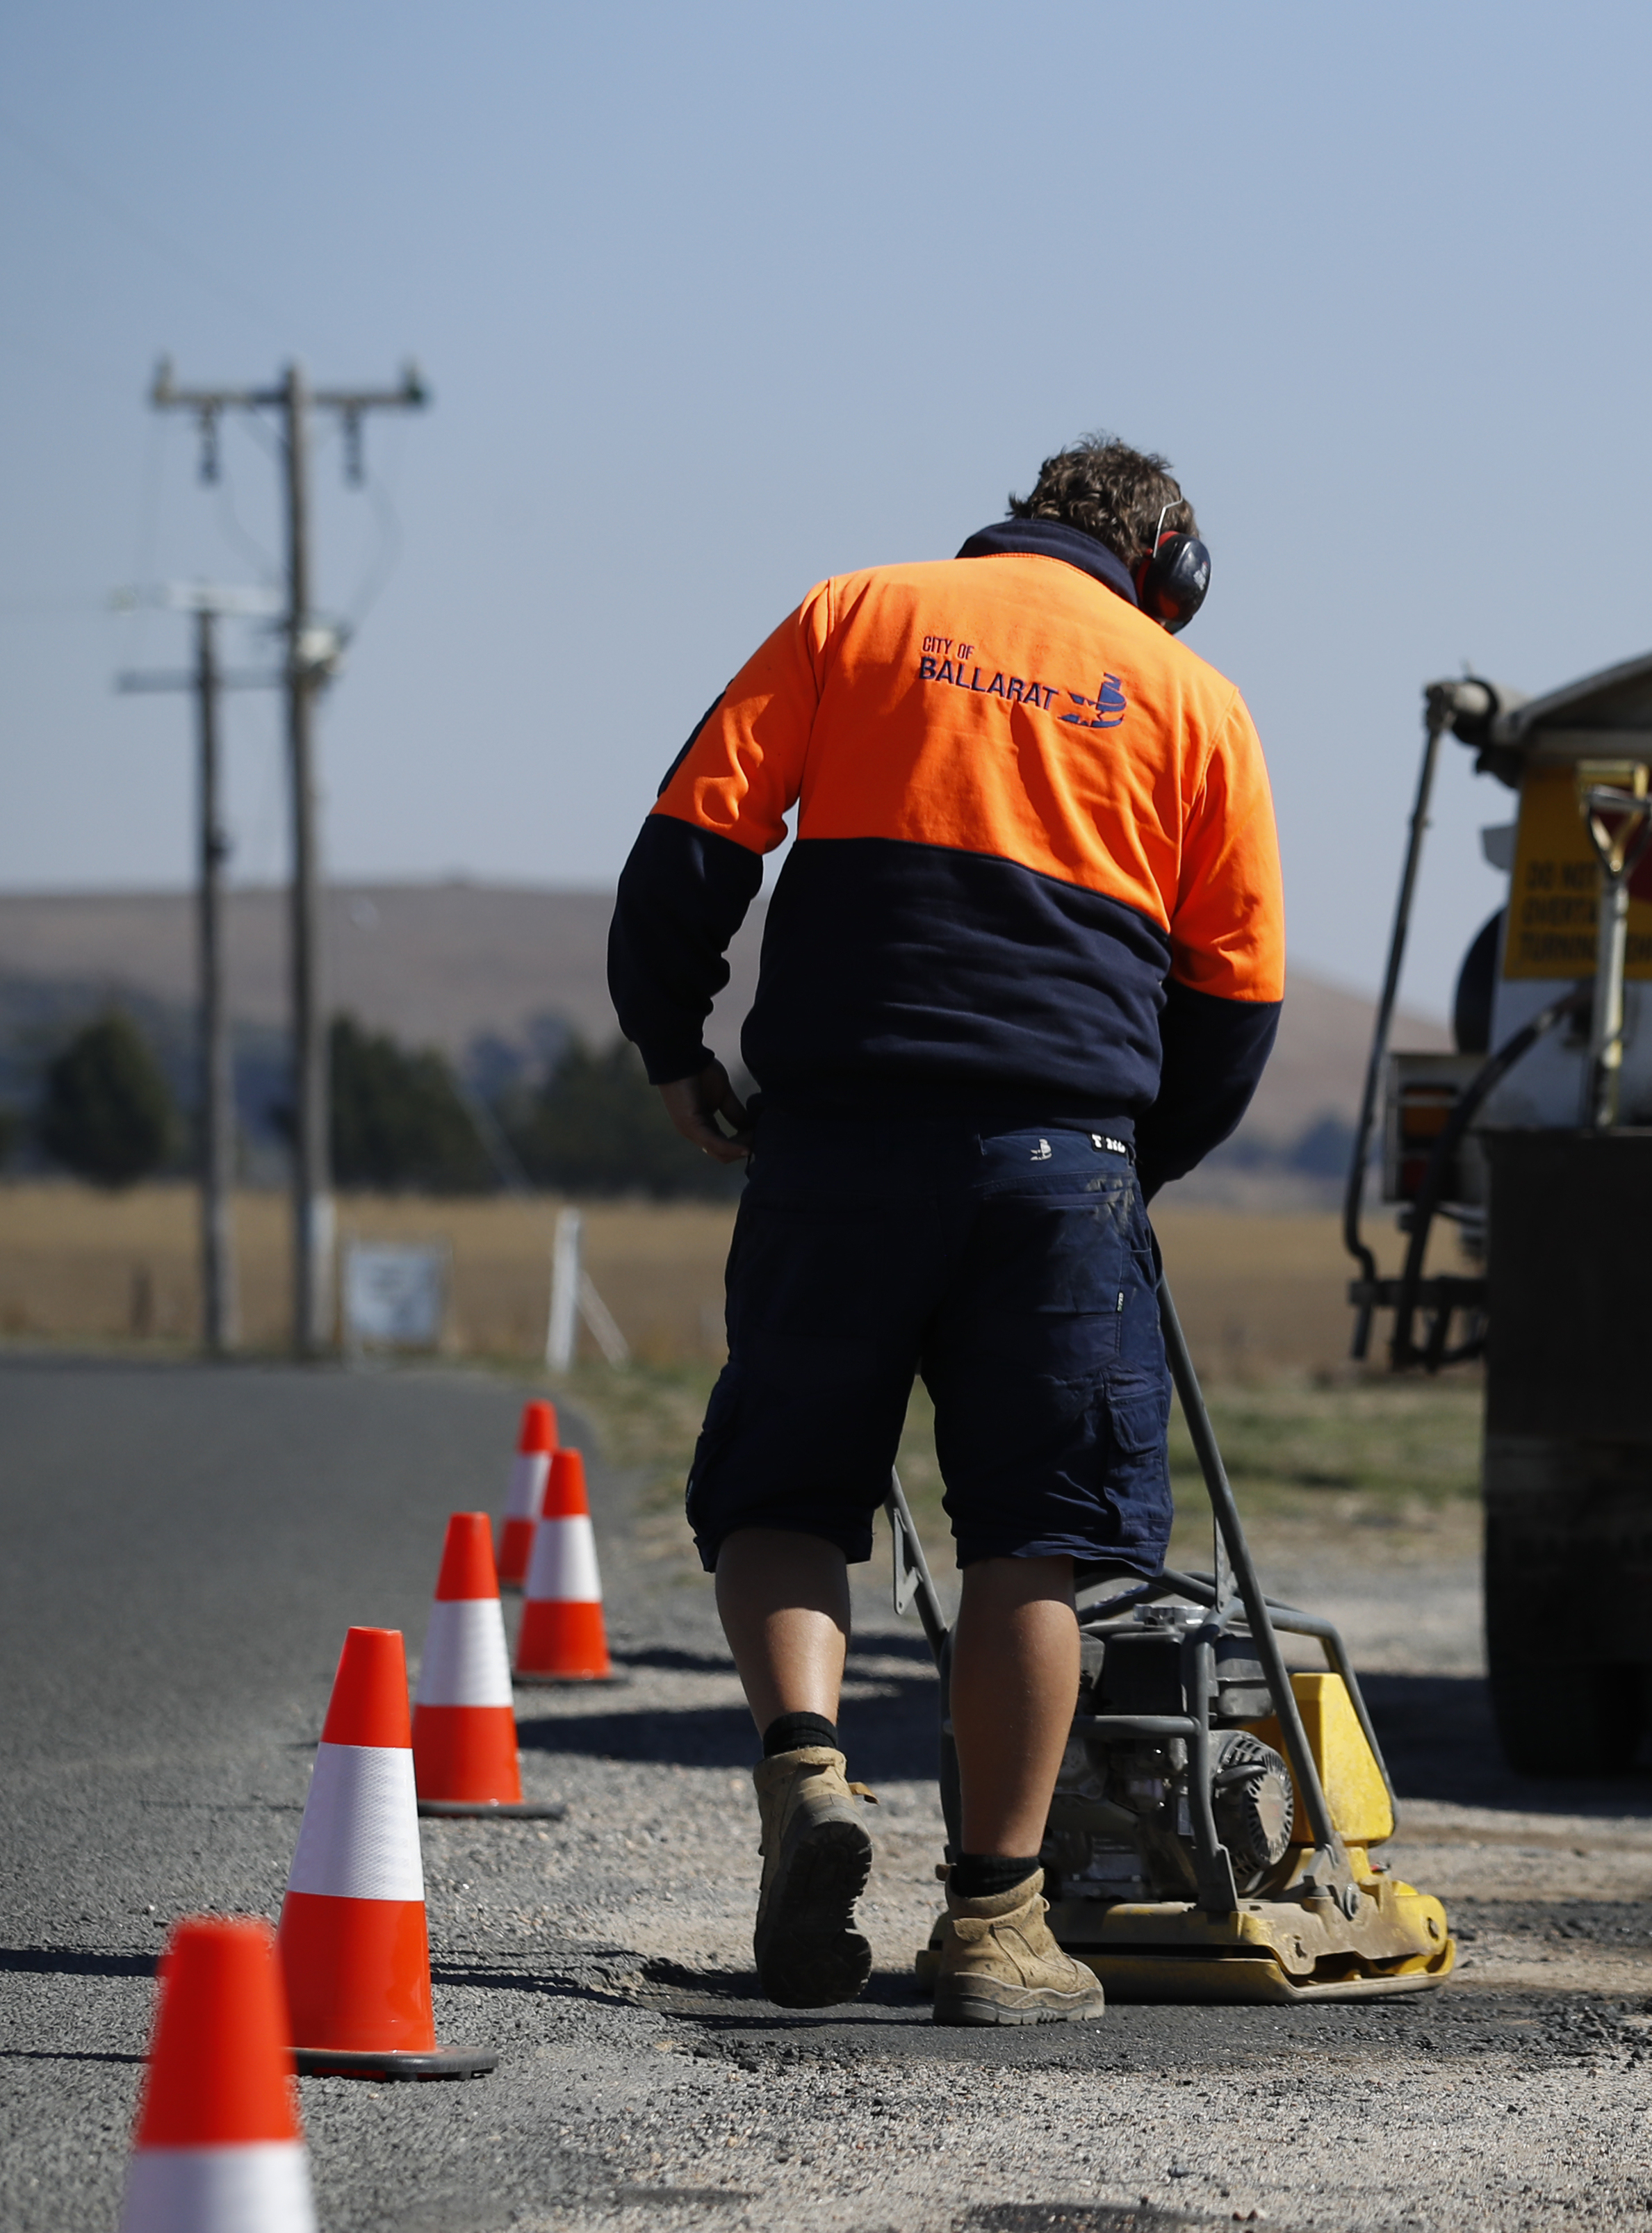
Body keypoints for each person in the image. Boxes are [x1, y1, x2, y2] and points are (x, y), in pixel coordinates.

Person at [605, 436, 1281, 2025]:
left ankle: (809, 1767)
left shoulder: (855, 614)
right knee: (1032, 1541)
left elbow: (689, 849)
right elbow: (1235, 1008)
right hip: (1061, 1163)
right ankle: (989, 1922)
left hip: (833, 1137)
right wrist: (1127, 1168)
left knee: (784, 1485)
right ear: (1163, 563)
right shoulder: (1193, 700)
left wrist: (672, 1046)